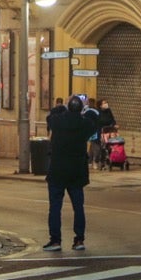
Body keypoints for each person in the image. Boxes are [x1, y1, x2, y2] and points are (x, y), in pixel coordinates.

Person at [43, 96, 91, 252]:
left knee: (55, 207)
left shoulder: (57, 121)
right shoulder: (85, 124)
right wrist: (85, 111)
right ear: (81, 109)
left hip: (57, 170)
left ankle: (55, 240)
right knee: (78, 207)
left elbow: (50, 116)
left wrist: (61, 108)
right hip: (76, 171)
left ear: (68, 107)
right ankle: (79, 240)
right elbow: (95, 119)